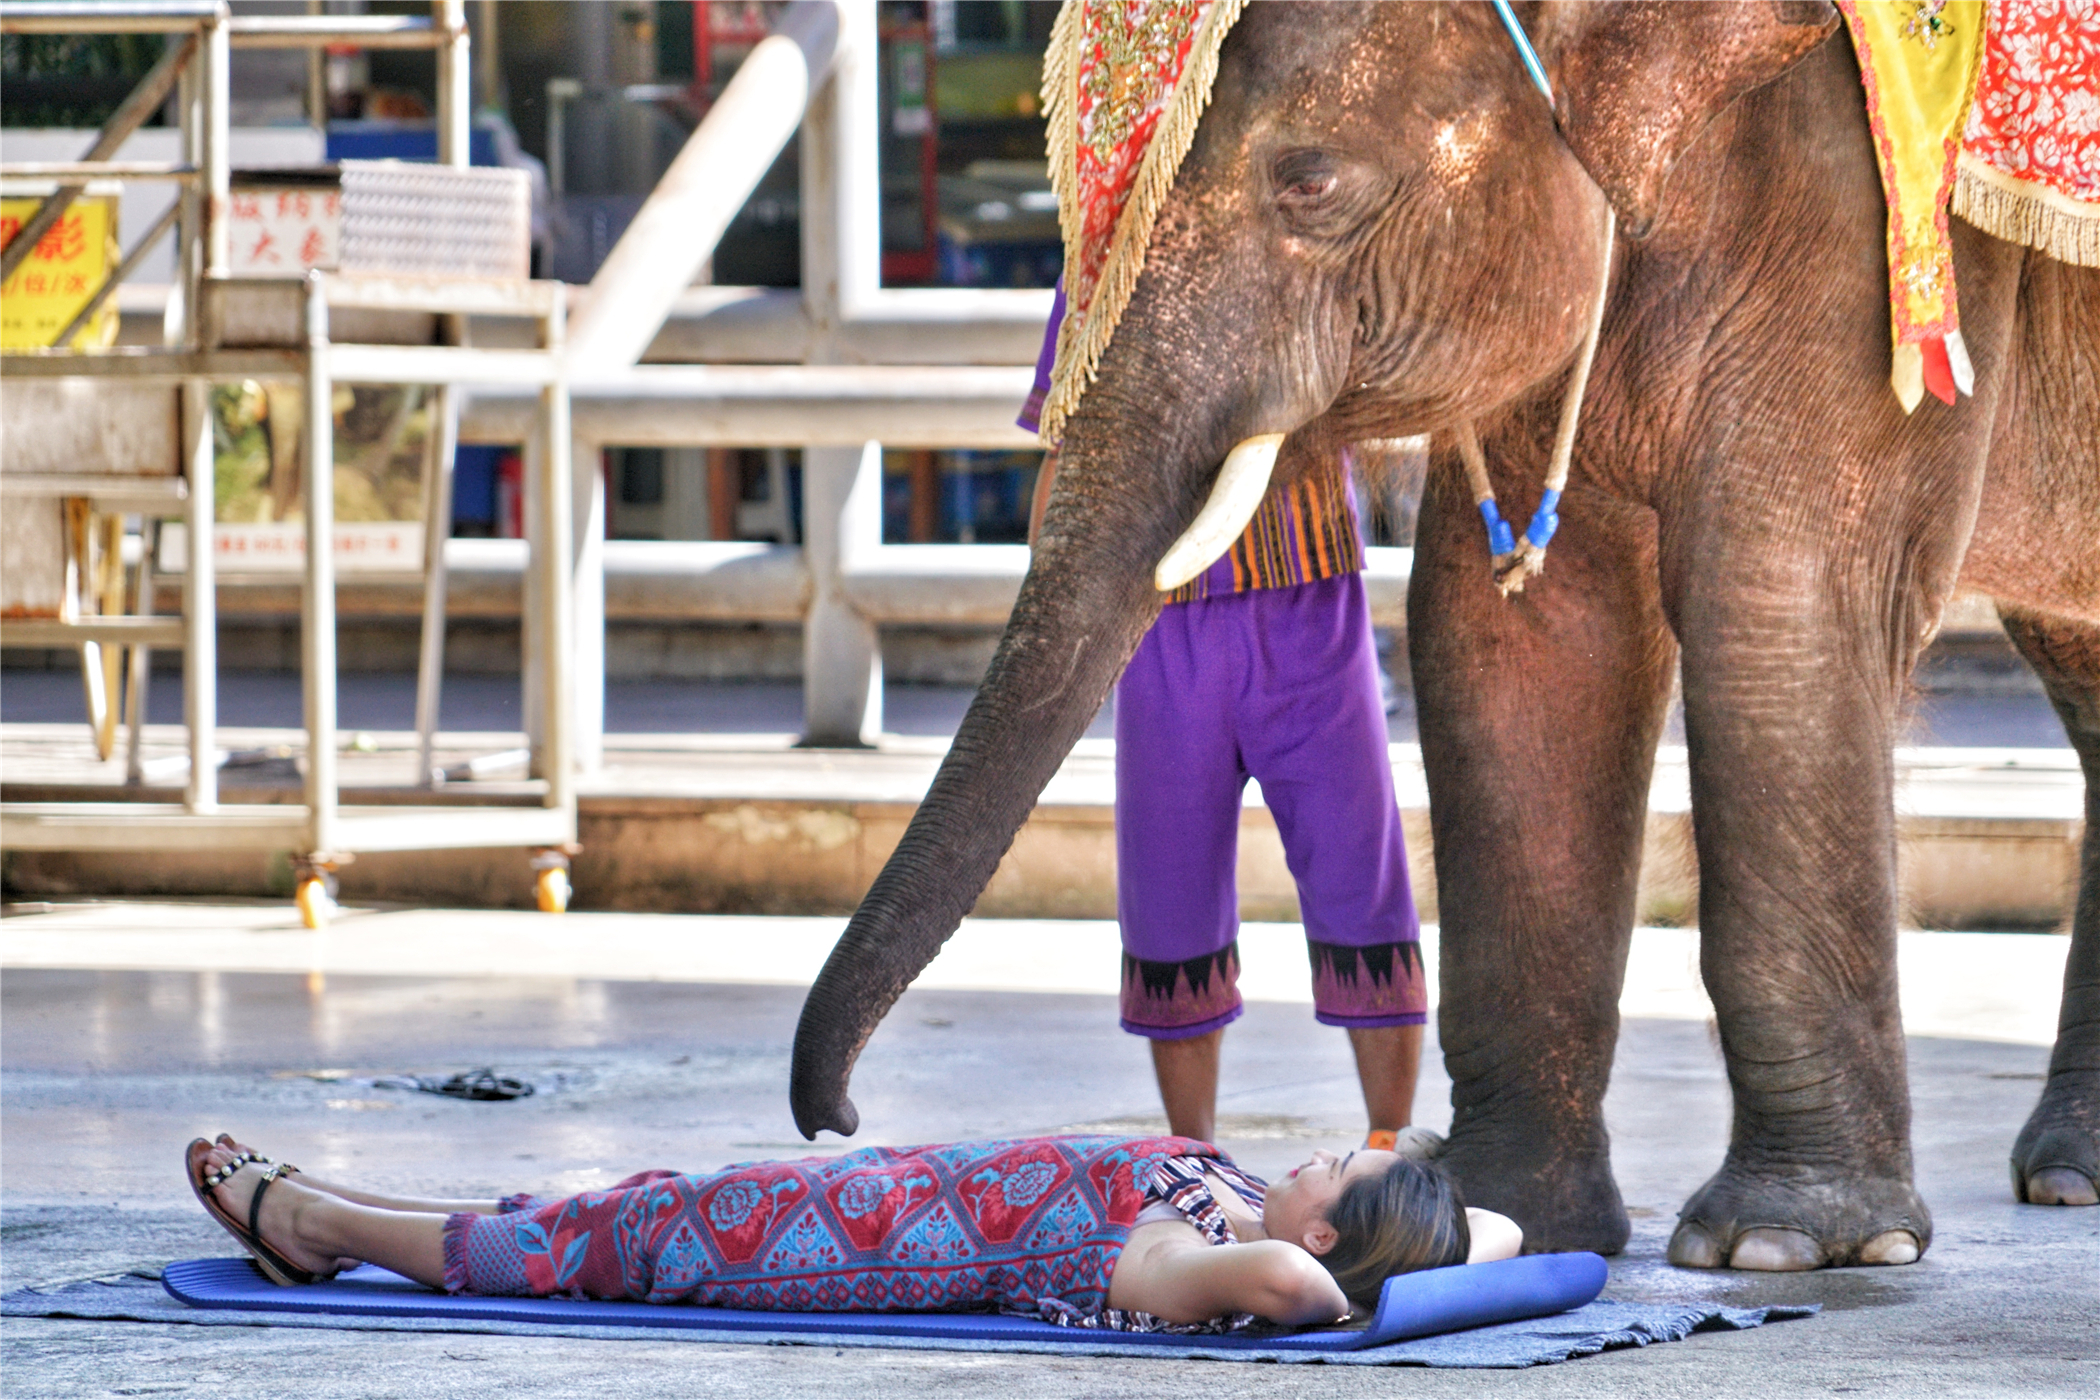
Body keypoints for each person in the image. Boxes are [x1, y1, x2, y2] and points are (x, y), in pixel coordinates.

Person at [1022, 285, 1428, 1150]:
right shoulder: (1100, 265)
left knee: (1361, 869)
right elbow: (1065, 448)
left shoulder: (1324, 242)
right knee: (1168, 893)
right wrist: (1054, 611)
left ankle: (1389, 1147)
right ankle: (1194, 1153)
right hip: (1162, 610)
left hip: (1311, 597)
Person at [188, 1133, 1521, 1330]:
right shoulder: (1221, 1191)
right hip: (843, 1190)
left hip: (801, 1249)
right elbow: (1506, 1231)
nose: (1314, 1153)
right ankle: (338, 1214)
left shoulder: (1190, 1266)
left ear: (1335, 1238)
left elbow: (1295, 1289)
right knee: (597, 1212)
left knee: (589, 1253)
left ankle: (313, 1223)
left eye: (1332, 1170)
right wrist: (1448, 1240)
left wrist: (1386, 1280)